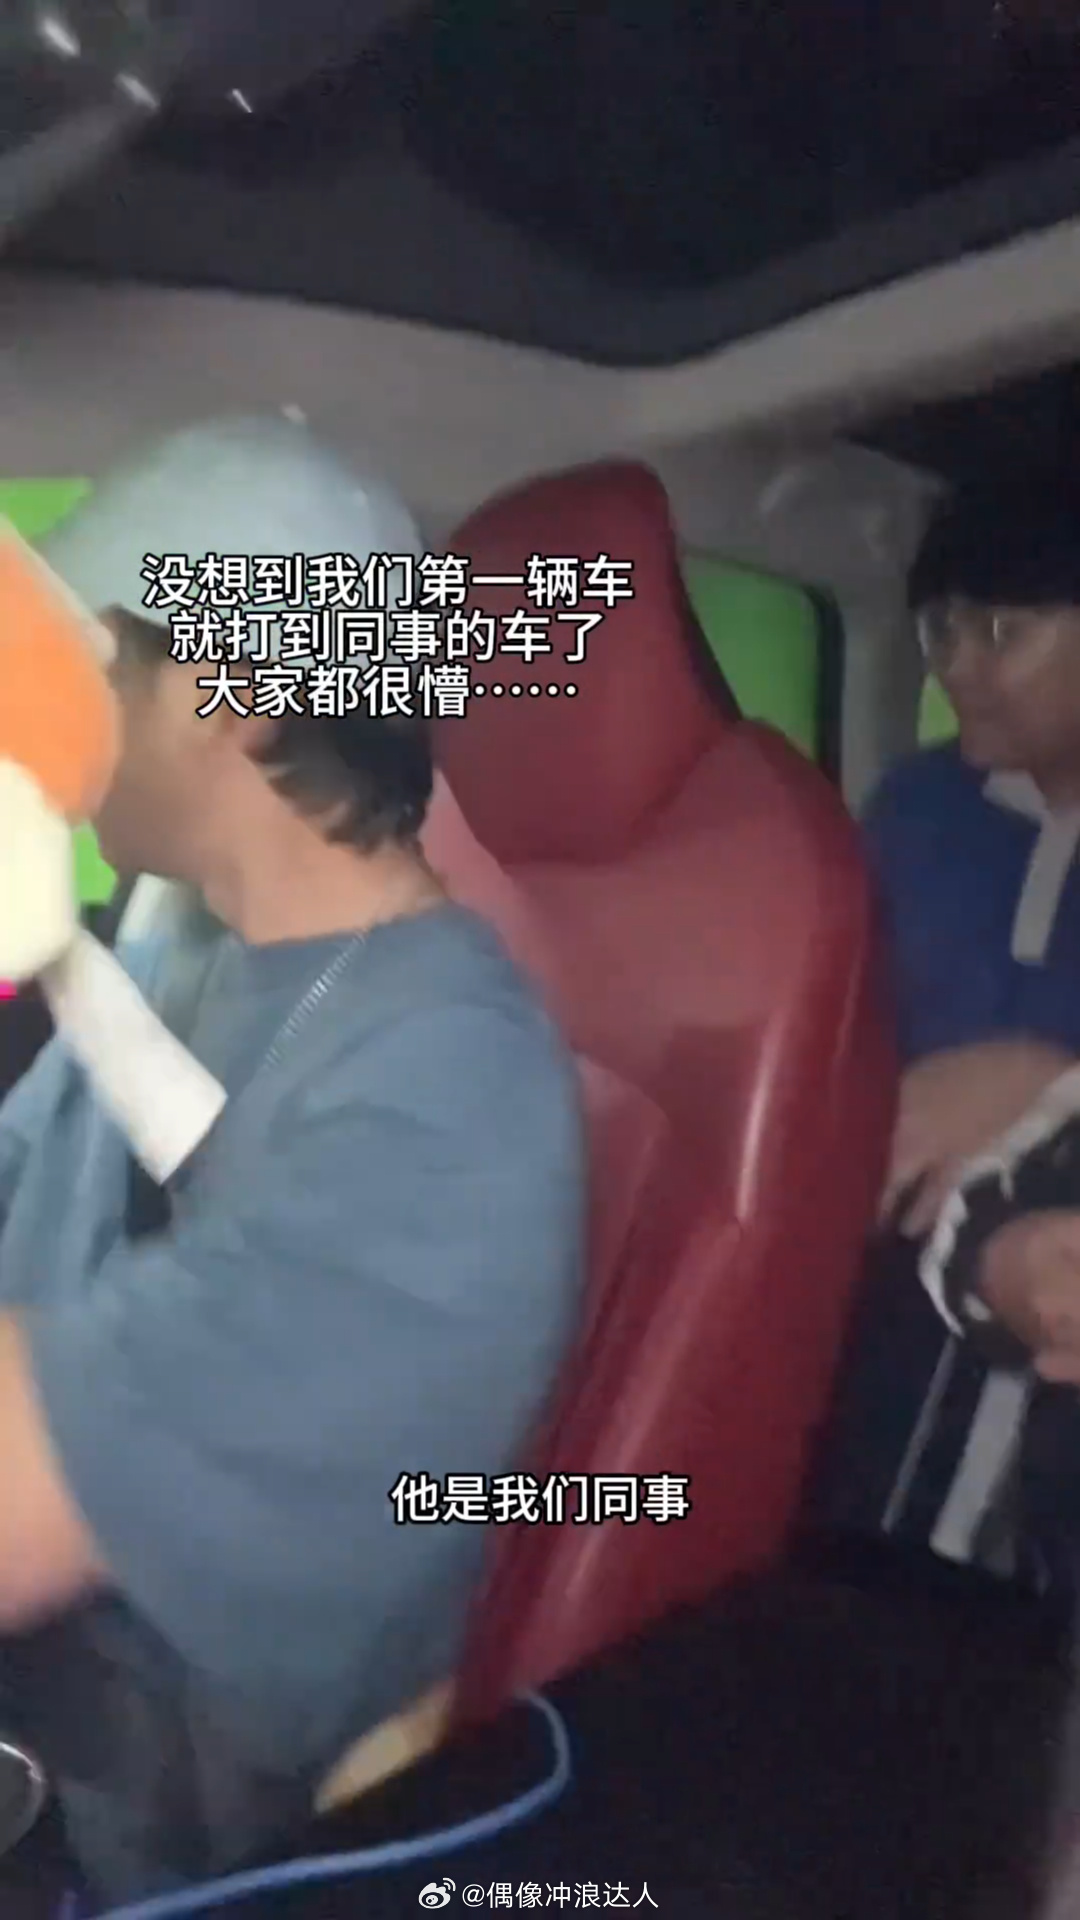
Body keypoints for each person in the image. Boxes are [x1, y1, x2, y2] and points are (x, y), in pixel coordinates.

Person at [0, 415, 586, 1902]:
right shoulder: (172, 936)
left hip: (134, 1805)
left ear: (233, 699)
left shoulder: (453, 1095)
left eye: (90, 664)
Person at [807, 477, 1080, 1588]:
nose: (958, 665)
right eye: (941, 631)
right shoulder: (915, 809)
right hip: (870, 1270)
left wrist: (1048, 1079)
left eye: (1003, 632)